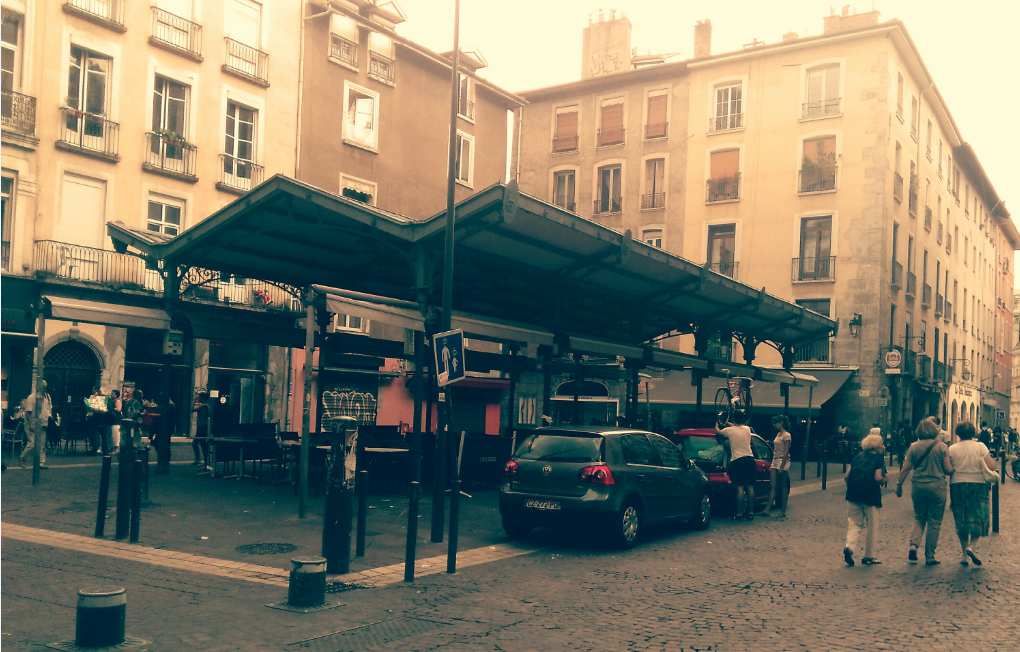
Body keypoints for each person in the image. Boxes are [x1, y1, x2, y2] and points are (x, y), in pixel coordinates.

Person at [896, 417, 953, 566]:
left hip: (918, 486)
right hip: (937, 487)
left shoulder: (913, 447)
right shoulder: (942, 447)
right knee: (934, 522)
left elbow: (906, 468)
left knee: (919, 518)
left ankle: (913, 545)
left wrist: (899, 484)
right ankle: (930, 556)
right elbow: (948, 470)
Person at [948, 422, 997, 567]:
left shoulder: (952, 448)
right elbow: (991, 466)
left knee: (961, 518)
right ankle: (971, 547)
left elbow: (948, 468)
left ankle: (964, 555)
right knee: (978, 518)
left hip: (957, 484)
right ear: (973, 432)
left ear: (958, 433)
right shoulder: (980, 447)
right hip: (978, 484)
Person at [843, 432, 887, 567]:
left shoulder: (857, 457)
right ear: (877, 446)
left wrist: (852, 487)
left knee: (854, 523)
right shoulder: (878, 459)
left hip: (853, 494)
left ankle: (849, 547)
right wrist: (884, 480)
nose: (883, 446)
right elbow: (877, 477)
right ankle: (869, 556)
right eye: (881, 444)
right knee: (872, 526)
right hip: (870, 495)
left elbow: (846, 476)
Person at [715, 409, 756, 520]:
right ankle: (751, 512)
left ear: (734, 419)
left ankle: (739, 513)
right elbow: (737, 427)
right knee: (750, 487)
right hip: (750, 459)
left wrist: (717, 422)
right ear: (743, 419)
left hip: (737, 460)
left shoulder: (729, 430)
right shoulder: (747, 429)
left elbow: (718, 431)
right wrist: (728, 423)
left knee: (740, 487)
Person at [18, 381, 52, 469]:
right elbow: (28, 413)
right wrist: (31, 424)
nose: (44, 388)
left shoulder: (47, 397)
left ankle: (41, 462)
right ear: (38, 387)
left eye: (45, 387)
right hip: (33, 424)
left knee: (42, 444)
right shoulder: (31, 398)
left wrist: (48, 417)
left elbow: (47, 409)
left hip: (43, 423)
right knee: (32, 443)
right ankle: (22, 458)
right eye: (43, 387)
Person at [767, 414, 792, 518]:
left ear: (781, 423)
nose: (774, 425)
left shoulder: (787, 435)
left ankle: (783, 511)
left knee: (783, 487)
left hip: (782, 460)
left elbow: (786, 451)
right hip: (775, 459)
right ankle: (767, 509)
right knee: (773, 486)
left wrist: (782, 466)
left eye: (775, 423)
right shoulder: (778, 434)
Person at [192, 391, 210, 467]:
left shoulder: (203, 407)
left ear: (202, 398)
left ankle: (201, 460)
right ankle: (204, 461)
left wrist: (194, 401)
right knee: (202, 445)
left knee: (198, 444)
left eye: (199, 397)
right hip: (202, 428)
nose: (198, 398)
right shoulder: (204, 406)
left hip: (202, 428)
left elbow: (192, 409)